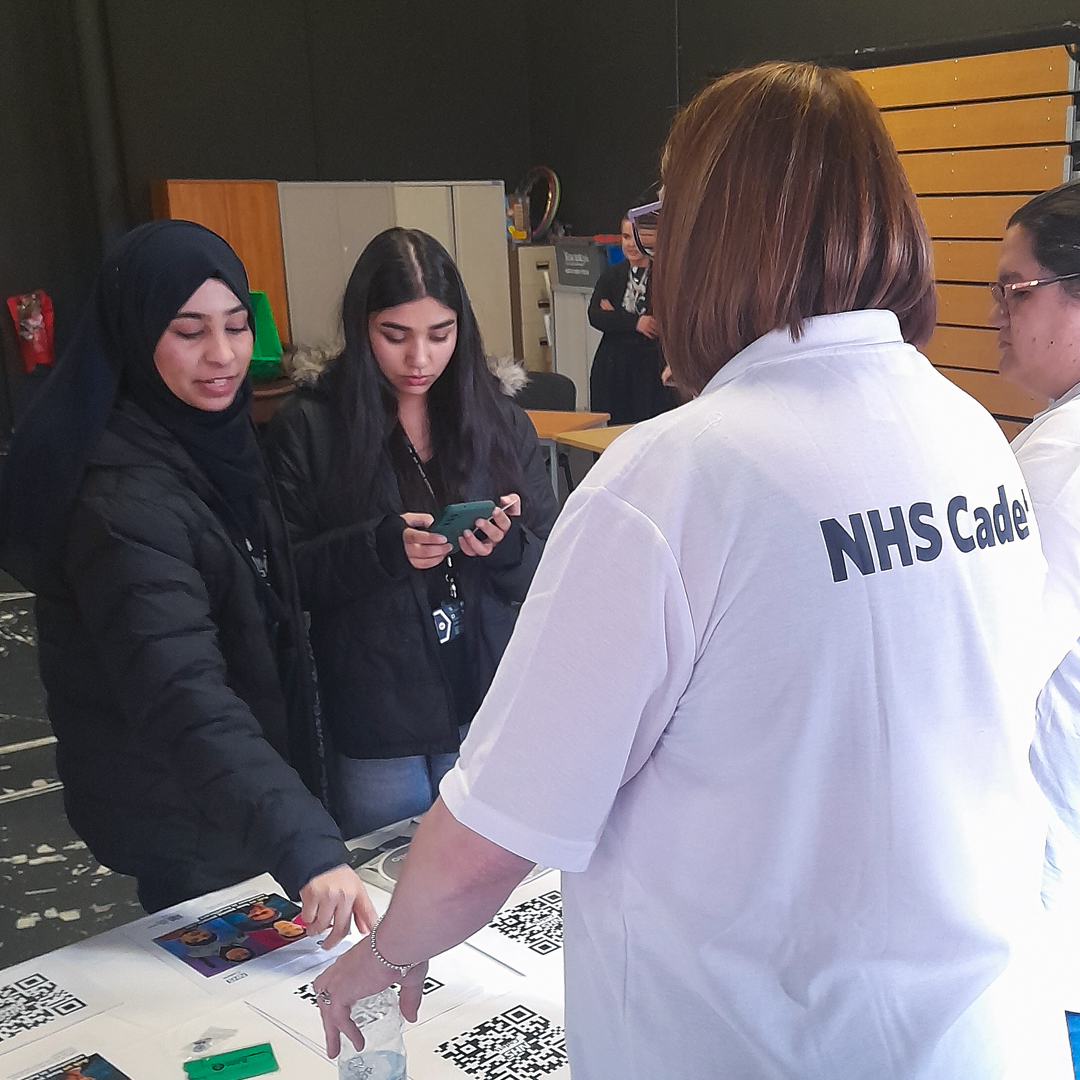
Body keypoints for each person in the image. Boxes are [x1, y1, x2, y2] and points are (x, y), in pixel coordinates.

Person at [311, 63, 1069, 1077]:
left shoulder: (673, 479)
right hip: (979, 1033)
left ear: (715, 234)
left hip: (755, 1042)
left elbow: (495, 828)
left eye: (666, 225)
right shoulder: (969, 435)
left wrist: (385, 954)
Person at [0, 221, 374, 944]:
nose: (224, 356)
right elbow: (181, 692)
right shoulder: (121, 498)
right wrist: (304, 841)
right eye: (189, 330)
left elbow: (264, 588)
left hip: (230, 790)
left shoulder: (212, 439)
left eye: (237, 326)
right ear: (137, 333)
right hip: (183, 803)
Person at [263, 228, 557, 839]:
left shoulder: (498, 419)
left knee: (485, 883)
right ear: (360, 327)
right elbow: (284, 574)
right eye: (394, 336)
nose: (419, 359)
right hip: (377, 705)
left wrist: (504, 550)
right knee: (386, 884)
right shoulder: (310, 427)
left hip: (485, 697)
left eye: (439, 335)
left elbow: (549, 561)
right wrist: (378, 548)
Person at [992, 181, 1080, 1013]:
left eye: (1014, 292)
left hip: (1057, 871)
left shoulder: (1059, 463)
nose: (995, 314)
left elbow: (994, 680)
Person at [587, 215, 676, 422]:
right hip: (613, 367)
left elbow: (662, 322)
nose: (631, 244)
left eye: (637, 237)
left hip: (650, 368)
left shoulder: (664, 275)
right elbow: (595, 315)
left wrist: (615, 316)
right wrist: (635, 322)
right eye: (626, 237)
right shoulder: (611, 275)